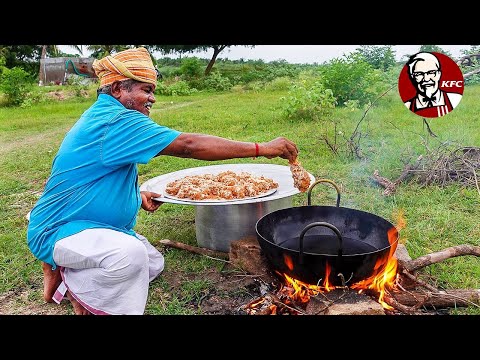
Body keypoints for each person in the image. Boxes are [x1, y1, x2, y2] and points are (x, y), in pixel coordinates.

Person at [26, 47, 299, 315]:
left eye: (152, 91)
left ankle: (68, 274)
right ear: (120, 88)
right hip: (60, 229)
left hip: (94, 226)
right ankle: (72, 282)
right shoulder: (115, 121)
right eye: (146, 90)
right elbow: (188, 145)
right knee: (129, 257)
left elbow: (98, 174)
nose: (152, 98)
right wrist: (262, 147)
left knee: (151, 264)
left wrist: (136, 197)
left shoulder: (108, 115)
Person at [404, 52, 462, 117]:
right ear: (412, 77)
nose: (426, 79)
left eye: (431, 72)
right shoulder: (408, 105)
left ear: (439, 74)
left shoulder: (454, 99)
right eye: (419, 74)